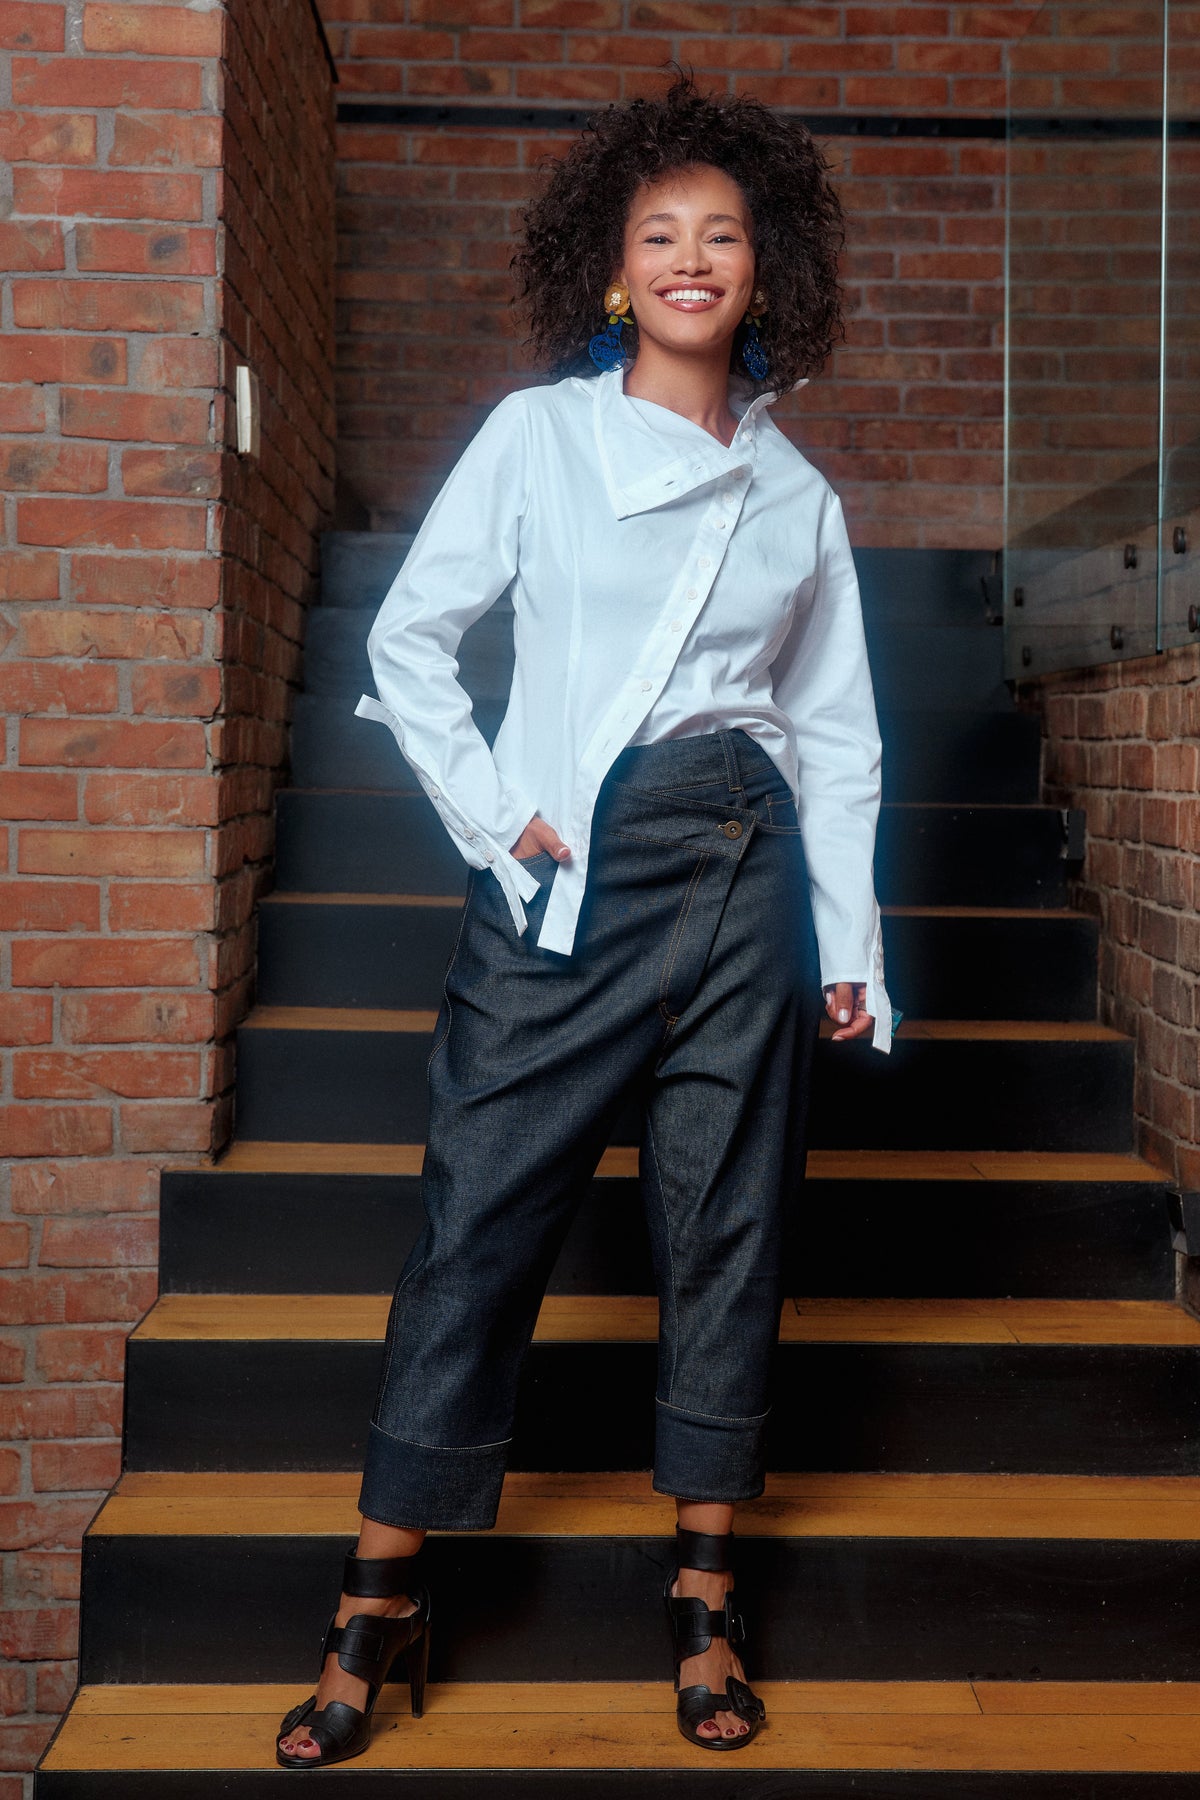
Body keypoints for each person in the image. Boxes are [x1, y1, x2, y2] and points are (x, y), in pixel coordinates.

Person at [276, 71, 893, 1770]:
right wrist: (495, 817)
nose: (694, 259)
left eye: (725, 236)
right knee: (476, 1223)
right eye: (660, 235)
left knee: (730, 1234)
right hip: (574, 881)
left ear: (763, 271)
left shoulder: (800, 496)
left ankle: (705, 1596)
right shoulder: (540, 438)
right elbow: (411, 642)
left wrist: (848, 948)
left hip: (749, 874)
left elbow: (835, 734)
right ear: (617, 271)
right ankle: (379, 1596)